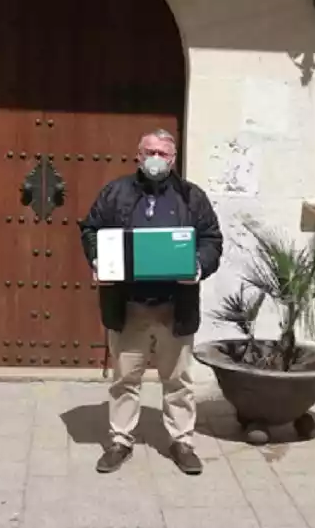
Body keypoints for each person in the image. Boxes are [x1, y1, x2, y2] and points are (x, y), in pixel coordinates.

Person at [77, 128, 224, 475]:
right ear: (138, 155)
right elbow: (90, 229)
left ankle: (182, 440)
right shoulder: (115, 193)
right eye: (149, 151)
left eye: (163, 153)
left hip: (176, 305)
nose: (156, 159)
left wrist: (200, 266)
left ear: (173, 160)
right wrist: (98, 259)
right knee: (125, 378)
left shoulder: (192, 197)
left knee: (178, 380)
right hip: (129, 306)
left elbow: (212, 239)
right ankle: (121, 440)